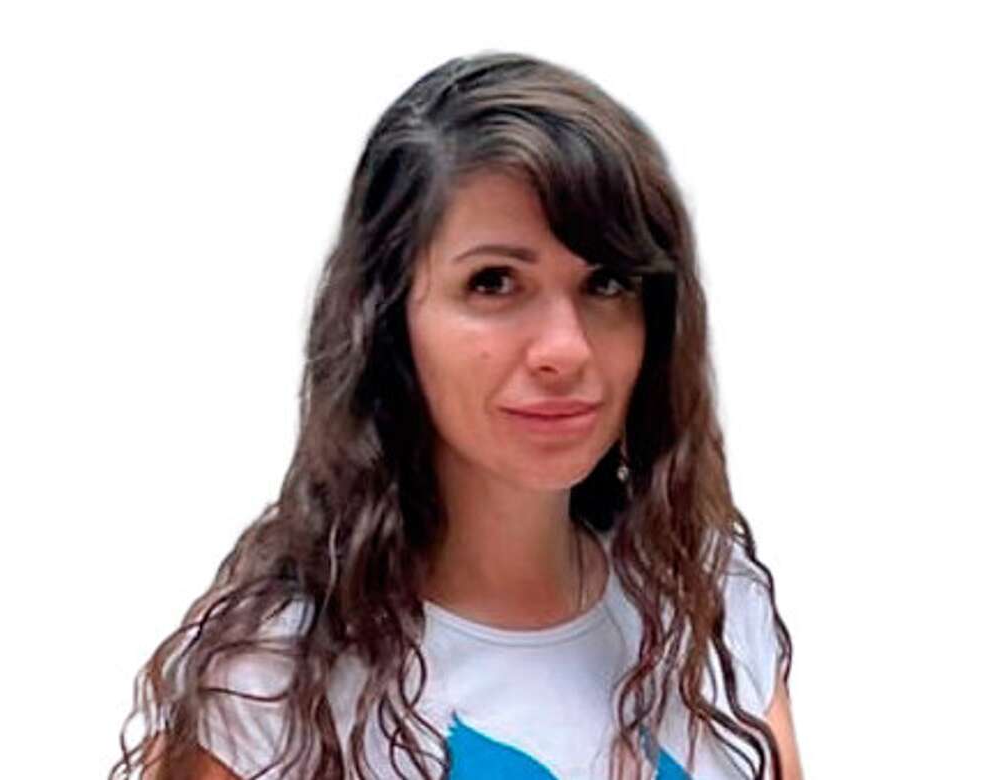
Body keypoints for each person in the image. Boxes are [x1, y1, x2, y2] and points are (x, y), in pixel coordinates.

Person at [113, 51, 801, 779]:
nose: (566, 349)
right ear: (387, 320)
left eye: (606, 283)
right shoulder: (269, 687)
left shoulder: (706, 604)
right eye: (494, 282)